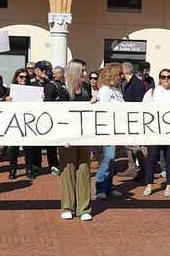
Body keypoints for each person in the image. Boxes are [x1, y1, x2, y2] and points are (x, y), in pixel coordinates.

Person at [58, 60, 93, 221]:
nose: (86, 74)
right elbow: (56, 115)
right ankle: (68, 206)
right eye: (83, 71)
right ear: (75, 73)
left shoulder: (86, 90)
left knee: (84, 169)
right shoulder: (63, 91)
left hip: (84, 136)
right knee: (68, 171)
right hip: (67, 138)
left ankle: (84, 208)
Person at [142, 69, 170, 197]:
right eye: (163, 77)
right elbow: (143, 110)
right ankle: (149, 185)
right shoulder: (152, 92)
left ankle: (169, 185)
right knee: (151, 159)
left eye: (169, 77)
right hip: (154, 132)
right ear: (159, 78)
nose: (166, 79)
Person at [94, 62, 124, 200]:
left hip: (116, 129)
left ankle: (109, 187)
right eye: (119, 74)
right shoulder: (104, 90)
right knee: (107, 158)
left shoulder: (117, 90)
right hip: (107, 130)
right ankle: (100, 188)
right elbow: (103, 110)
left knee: (112, 160)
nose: (121, 77)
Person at [118, 62, 147, 180]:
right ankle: (133, 167)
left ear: (125, 71)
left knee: (133, 144)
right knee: (128, 143)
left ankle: (143, 167)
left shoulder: (136, 84)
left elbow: (138, 102)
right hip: (129, 118)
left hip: (134, 118)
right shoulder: (129, 83)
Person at [6, 68, 31, 179]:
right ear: (16, 77)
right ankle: (13, 170)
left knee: (29, 148)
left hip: (28, 122)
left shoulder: (32, 90)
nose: (23, 79)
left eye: (25, 77)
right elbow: (2, 102)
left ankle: (29, 169)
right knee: (13, 149)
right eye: (21, 77)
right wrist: (6, 99)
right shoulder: (10, 90)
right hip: (14, 122)